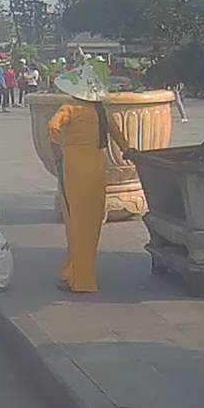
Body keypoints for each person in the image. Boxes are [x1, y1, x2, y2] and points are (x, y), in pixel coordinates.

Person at [48, 66, 132, 293]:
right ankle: (71, 272)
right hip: (96, 168)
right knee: (90, 224)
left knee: (75, 223)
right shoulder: (101, 111)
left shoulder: (70, 108)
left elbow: (52, 127)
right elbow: (118, 136)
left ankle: (81, 280)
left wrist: (57, 153)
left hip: (74, 169)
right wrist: (129, 152)